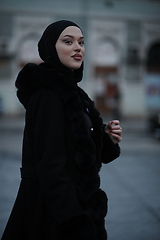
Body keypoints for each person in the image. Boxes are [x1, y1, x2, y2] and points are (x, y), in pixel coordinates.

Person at [2, 20, 122, 240]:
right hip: (53, 214)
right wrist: (74, 222)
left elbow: (82, 150)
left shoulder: (74, 94)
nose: (78, 47)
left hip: (75, 204)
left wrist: (106, 138)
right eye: (68, 41)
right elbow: (51, 166)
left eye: (82, 42)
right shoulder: (48, 95)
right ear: (50, 49)